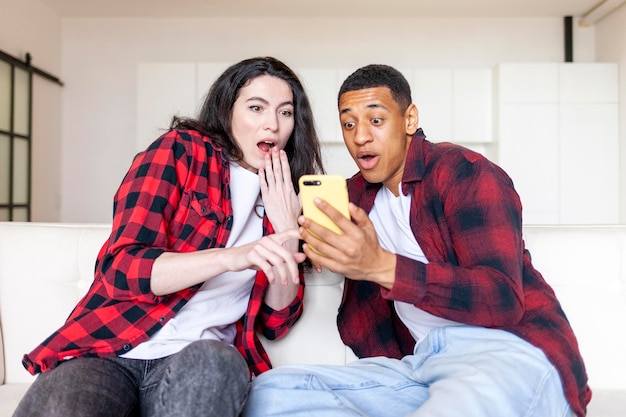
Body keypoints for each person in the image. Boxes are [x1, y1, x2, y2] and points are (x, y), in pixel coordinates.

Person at [243, 64, 591, 417]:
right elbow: (282, 299)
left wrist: (381, 266)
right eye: (349, 124)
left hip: (505, 353)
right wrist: (292, 228)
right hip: (421, 365)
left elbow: (501, 299)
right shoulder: (354, 198)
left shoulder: (464, 172)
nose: (360, 136)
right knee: (270, 394)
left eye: (375, 120)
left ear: (409, 120)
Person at [13, 56, 324, 417]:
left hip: (199, 360)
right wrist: (234, 255)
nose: (272, 124)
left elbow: (276, 320)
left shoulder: (288, 194)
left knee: (216, 362)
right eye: (257, 108)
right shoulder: (180, 152)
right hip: (111, 349)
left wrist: (286, 231)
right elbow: (124, 269)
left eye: (285, 113)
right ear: (228, 110)